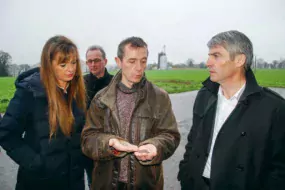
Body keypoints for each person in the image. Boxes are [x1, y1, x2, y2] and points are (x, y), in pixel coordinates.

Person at [178, 30, 285, 190]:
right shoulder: (205, 96)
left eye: (216, 56)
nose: (208, 62)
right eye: (209, 55)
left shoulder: (273, 108)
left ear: (239, 60)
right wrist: (186, 175)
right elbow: (193, 141)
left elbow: (279, 169)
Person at [81, 36, 180, 189]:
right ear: (119, 61)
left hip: (145, 184)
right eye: (132, 61)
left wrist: (155, 146)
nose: (139, 67)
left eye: (143, 61)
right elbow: (87, 140)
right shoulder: (101, 98)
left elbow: (171, 136)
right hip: (106, 183)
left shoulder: (159, 97)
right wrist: (109, 143)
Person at [0, 35, 88, 190]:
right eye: (63, 64)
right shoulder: (30, 92)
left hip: (73, 182)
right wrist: (35, 163)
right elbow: (6, 134)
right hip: (38, 182)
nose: (71, 69)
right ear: (49, 64)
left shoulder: (77, 92)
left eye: (74, 62)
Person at [84, 45, 113, 186]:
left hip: (111, 145)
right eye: (89, 61)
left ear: (105, 61)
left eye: (97, 60)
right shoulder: (79, 84)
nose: (93, 64)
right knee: (94, 183)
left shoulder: (116, 83)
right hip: (89, 146)